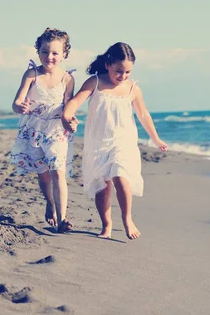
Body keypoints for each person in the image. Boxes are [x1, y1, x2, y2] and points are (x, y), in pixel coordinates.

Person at [61, 42, 168, 240]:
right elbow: (75, 101)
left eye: (128, 72)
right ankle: (106, 225)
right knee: (102, 187)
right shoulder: (95, 82)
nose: (123, 76)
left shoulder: (133, 89)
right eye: (119, 71)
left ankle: (127, 219)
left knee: (120, 175)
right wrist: (66, 117)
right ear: (108, 64)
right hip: (98, 142)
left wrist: (156, 138)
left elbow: (143, 115)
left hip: (123, 141)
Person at [10, 28, 77, 233]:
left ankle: (63, 218)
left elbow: (68, 108)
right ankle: (49, 202)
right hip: (34, 131)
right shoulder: (32, 74)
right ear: (38, 51)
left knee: (58, 172)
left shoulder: (67, 79)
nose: (49, 56)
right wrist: (19, 106)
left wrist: (72, 121)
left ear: (64, 55)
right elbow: (16, 102)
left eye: (55, 53)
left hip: (56, 130)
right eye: (45, 51)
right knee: (44, 174)